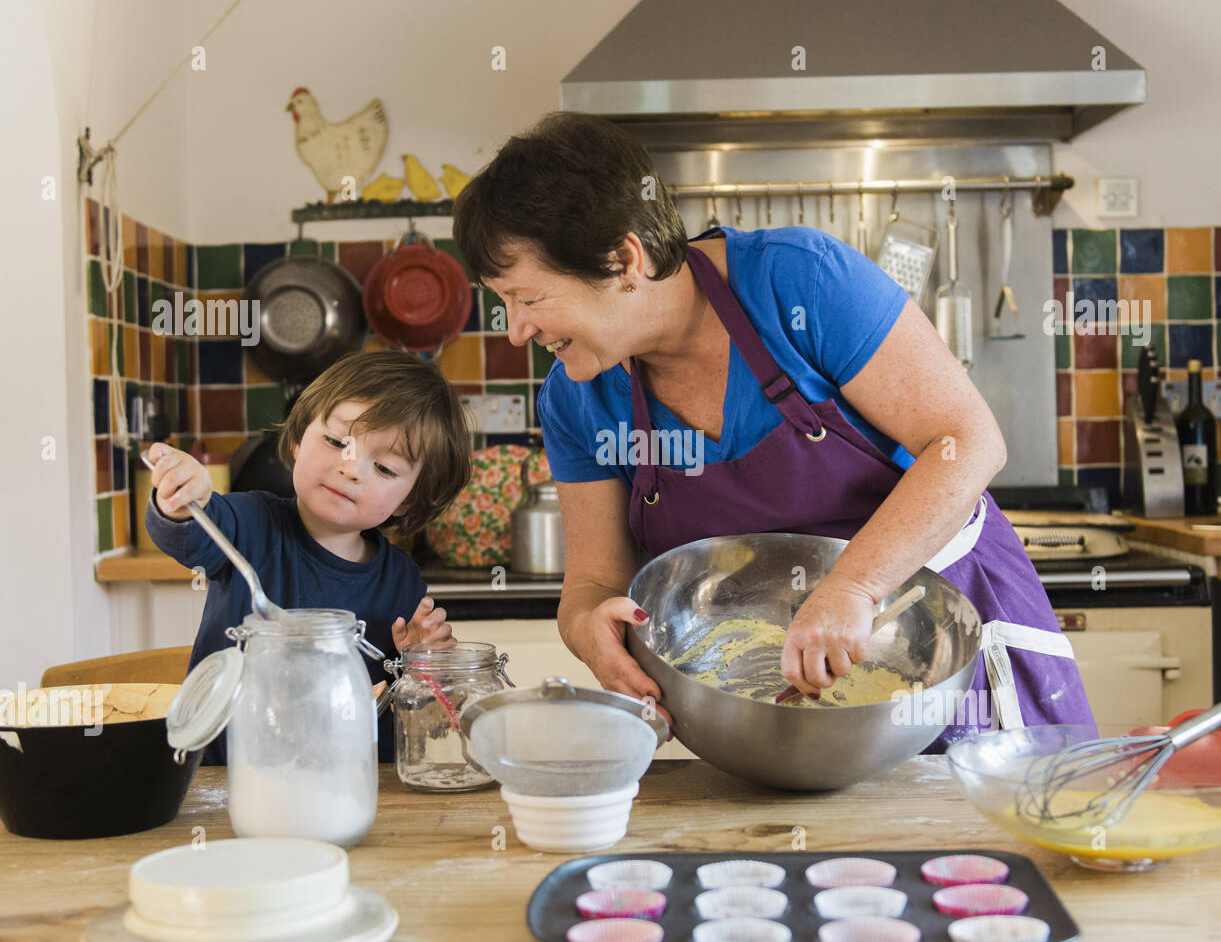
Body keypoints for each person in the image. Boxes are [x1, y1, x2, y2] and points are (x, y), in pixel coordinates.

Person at [451, 111, 1095, 748]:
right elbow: (593, 581)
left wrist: (854, 586)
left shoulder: (803, 282)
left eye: (528, 298)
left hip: (947, 660)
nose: (515, 331)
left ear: (624, 260)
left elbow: (967, 440)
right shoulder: (576, 398)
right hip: (762, 706)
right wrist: (587, 628)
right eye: (504, 301)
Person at [146, 350, 472, 763]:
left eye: (385, 468)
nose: (351, 469)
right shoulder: (251, 524)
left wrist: (418, 671)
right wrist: (181, 499)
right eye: (337, 442)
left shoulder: (402, 582)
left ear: (410, 500)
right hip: (224, 784)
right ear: (299, 439)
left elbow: (397, 729)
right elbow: (189, 535)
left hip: (344, 790)